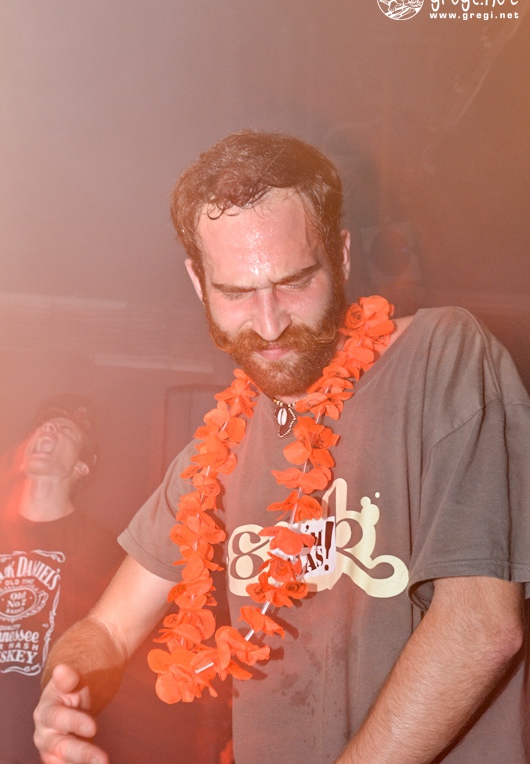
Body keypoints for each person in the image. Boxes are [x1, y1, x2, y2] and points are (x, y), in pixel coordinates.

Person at [33, 131, 530, 764]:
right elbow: (106, 628)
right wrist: (63, 688)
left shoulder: (443, 355)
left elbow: (482, 625)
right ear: (198, 282)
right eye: (237, 292)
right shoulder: (216, 451)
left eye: (295, 282)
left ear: (340, 257)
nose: (270, 324)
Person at [0, 394, 122, 763]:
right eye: (43, 425)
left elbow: (112, 647)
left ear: (82, 466)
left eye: (64, 429)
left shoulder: (105, 550)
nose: (48, 428)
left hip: (47, 743)